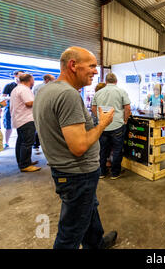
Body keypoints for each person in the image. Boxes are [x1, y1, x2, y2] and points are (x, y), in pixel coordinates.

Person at [33, 46, 117, 249]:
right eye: (91, 66)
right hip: (77, 174)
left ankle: (95, 243)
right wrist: (103, 124)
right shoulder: (68, 95)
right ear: (73, 65)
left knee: (89, 209)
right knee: (71, 232)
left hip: (66, 171)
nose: (96, 72)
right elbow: (79, 146)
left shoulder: (46, 90)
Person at [91, 73, 131, 179]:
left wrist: (101, 118)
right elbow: (127, 108)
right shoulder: (121, 91)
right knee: (117, 149)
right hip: (117, 125)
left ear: (106, 81)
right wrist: (125, 120)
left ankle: (102, 172)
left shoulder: (98, 93)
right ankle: (115, 173)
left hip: (103, 126)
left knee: (102, 150)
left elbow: (93, 108)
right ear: (116, 81)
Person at [10, 74, 41, 172]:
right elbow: (29, 103)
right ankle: (25, 165)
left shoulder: (17, 89)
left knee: (21, 142)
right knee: (27, 142)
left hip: (19, 118)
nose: (34, 81)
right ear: (29, 80)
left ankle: (23, 161)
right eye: (33, 79)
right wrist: (40, 100)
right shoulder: (24, 89)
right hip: (26, 119)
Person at [32, 74, 55, 152]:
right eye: (52, 80)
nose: (54, 81)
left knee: (38, 127)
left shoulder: (36, 87)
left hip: (37, 109)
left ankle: (36, 145)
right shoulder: (49, 88)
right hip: (47, 109)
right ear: (47, 80)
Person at [2, 70, 24, 149]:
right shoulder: (9, 85)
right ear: (15, 76)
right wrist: (12, 98)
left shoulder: (24, 86)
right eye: (20, 75)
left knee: (21, 126)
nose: (22, 76)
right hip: (9, 108)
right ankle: (6, 143)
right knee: (8, 126)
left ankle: (21, 142)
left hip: (21, 109)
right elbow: (3, 97)